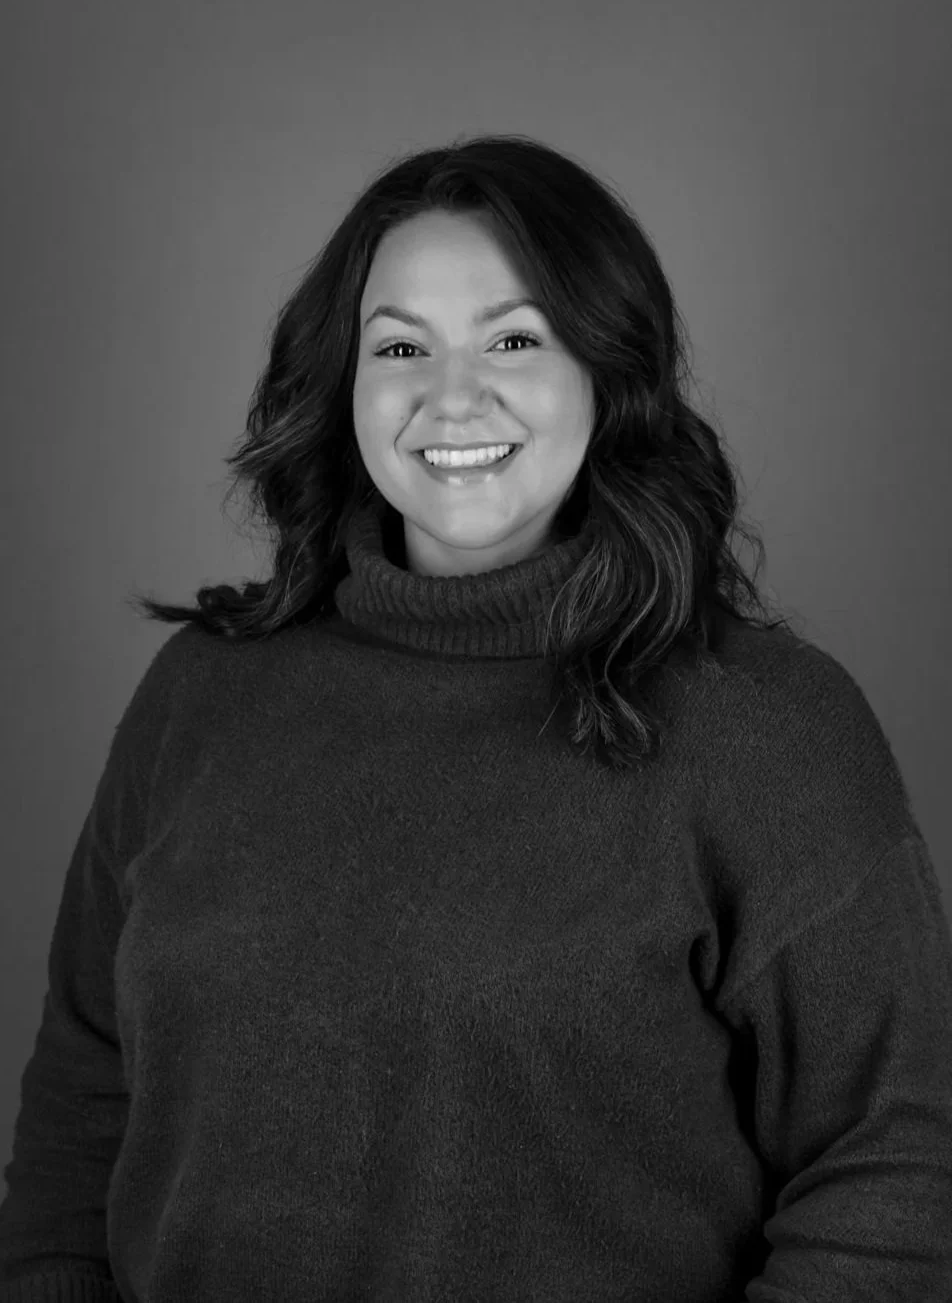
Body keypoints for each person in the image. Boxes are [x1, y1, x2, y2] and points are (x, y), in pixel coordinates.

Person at [2, 134, 950, 1302]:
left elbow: (899, 1159)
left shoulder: (767, 728)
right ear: (341, 382)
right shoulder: (203, 692)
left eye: (514, 337)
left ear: (610, 373)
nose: (452, 394)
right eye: (400, 345)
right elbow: (81, 1099)